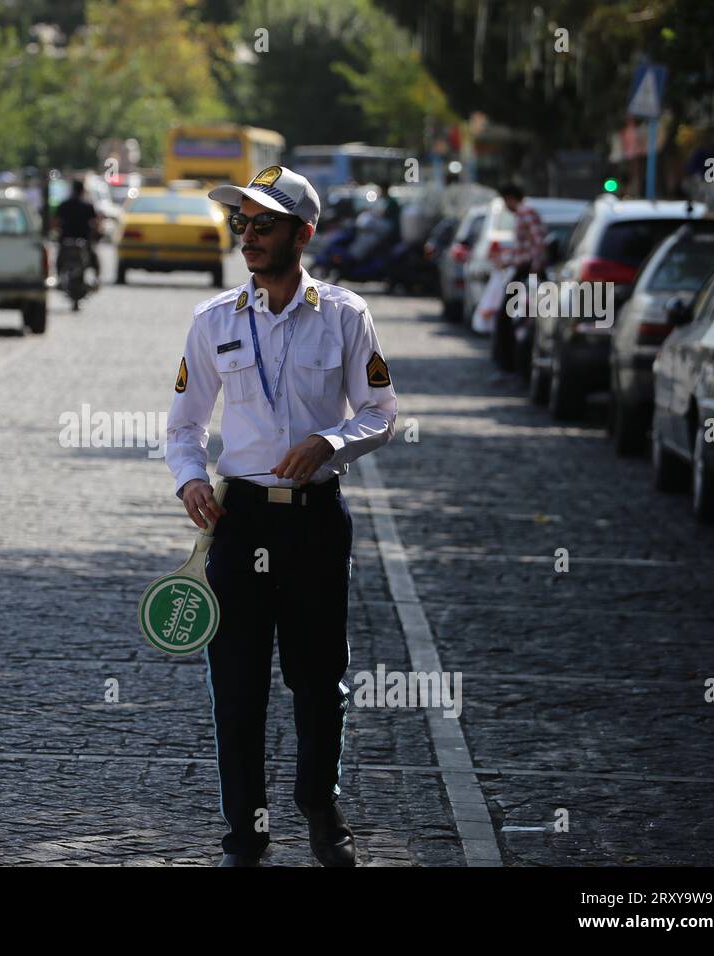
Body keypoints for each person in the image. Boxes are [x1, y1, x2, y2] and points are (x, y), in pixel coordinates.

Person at [165, 165, 398, 867]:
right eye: (242, 222)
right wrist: (189, 482)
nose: (249, 234)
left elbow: (383, 413)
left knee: (318, 679)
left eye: (265, 223)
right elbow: (183, 427)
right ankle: (245, 833)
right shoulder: (213, 321)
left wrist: (331, 441)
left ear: (304, 233)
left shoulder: (346, 315)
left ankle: (318, 805)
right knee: (235, 685)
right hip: (239, 524)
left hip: (314, 524)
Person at [493, 182, 545, 376]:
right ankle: (509, 363)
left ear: (509, 198)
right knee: (510, 317)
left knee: (506, 317)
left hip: (527, 271)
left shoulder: (526, 212)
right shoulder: (524, 213)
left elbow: (538, 241)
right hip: (522, 269)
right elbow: (523, 247)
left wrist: (536, 267)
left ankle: (510, 364)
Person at [53, 178, 102, 287]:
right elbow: (96, 223)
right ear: (82, 190)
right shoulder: (88, 206)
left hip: (66, 239)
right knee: (94, 259)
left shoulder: (64, 204)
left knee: (59, 260)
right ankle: (96, 280)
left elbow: (55, 223)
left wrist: (57, 231)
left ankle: (58, 279)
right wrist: (97, 233)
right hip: (84, 239)